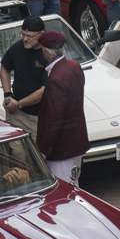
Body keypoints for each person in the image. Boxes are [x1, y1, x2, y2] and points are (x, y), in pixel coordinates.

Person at [35, 28, 87, 185]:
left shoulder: (56, 79)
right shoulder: (74, 66)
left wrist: (44, 151)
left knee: (64, 189)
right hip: (76, 142)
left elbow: (54, 119)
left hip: (62, 148)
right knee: (73, 183)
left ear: (45, 50)